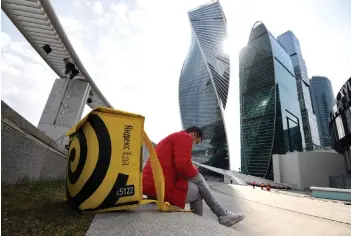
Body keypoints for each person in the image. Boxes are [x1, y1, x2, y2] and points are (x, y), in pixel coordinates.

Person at [142, 126, 245, 227]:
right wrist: (194, 169)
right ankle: (220, 216)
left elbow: (175, 166)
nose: (194, 145)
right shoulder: (184, 137)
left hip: (153, 186)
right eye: (196, 142)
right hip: (160, 188)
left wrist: (191, 167)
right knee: (199, 181)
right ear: (193, 134)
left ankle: (217, 217)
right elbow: (183, 165)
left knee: (198, 186)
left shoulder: (173, 137)